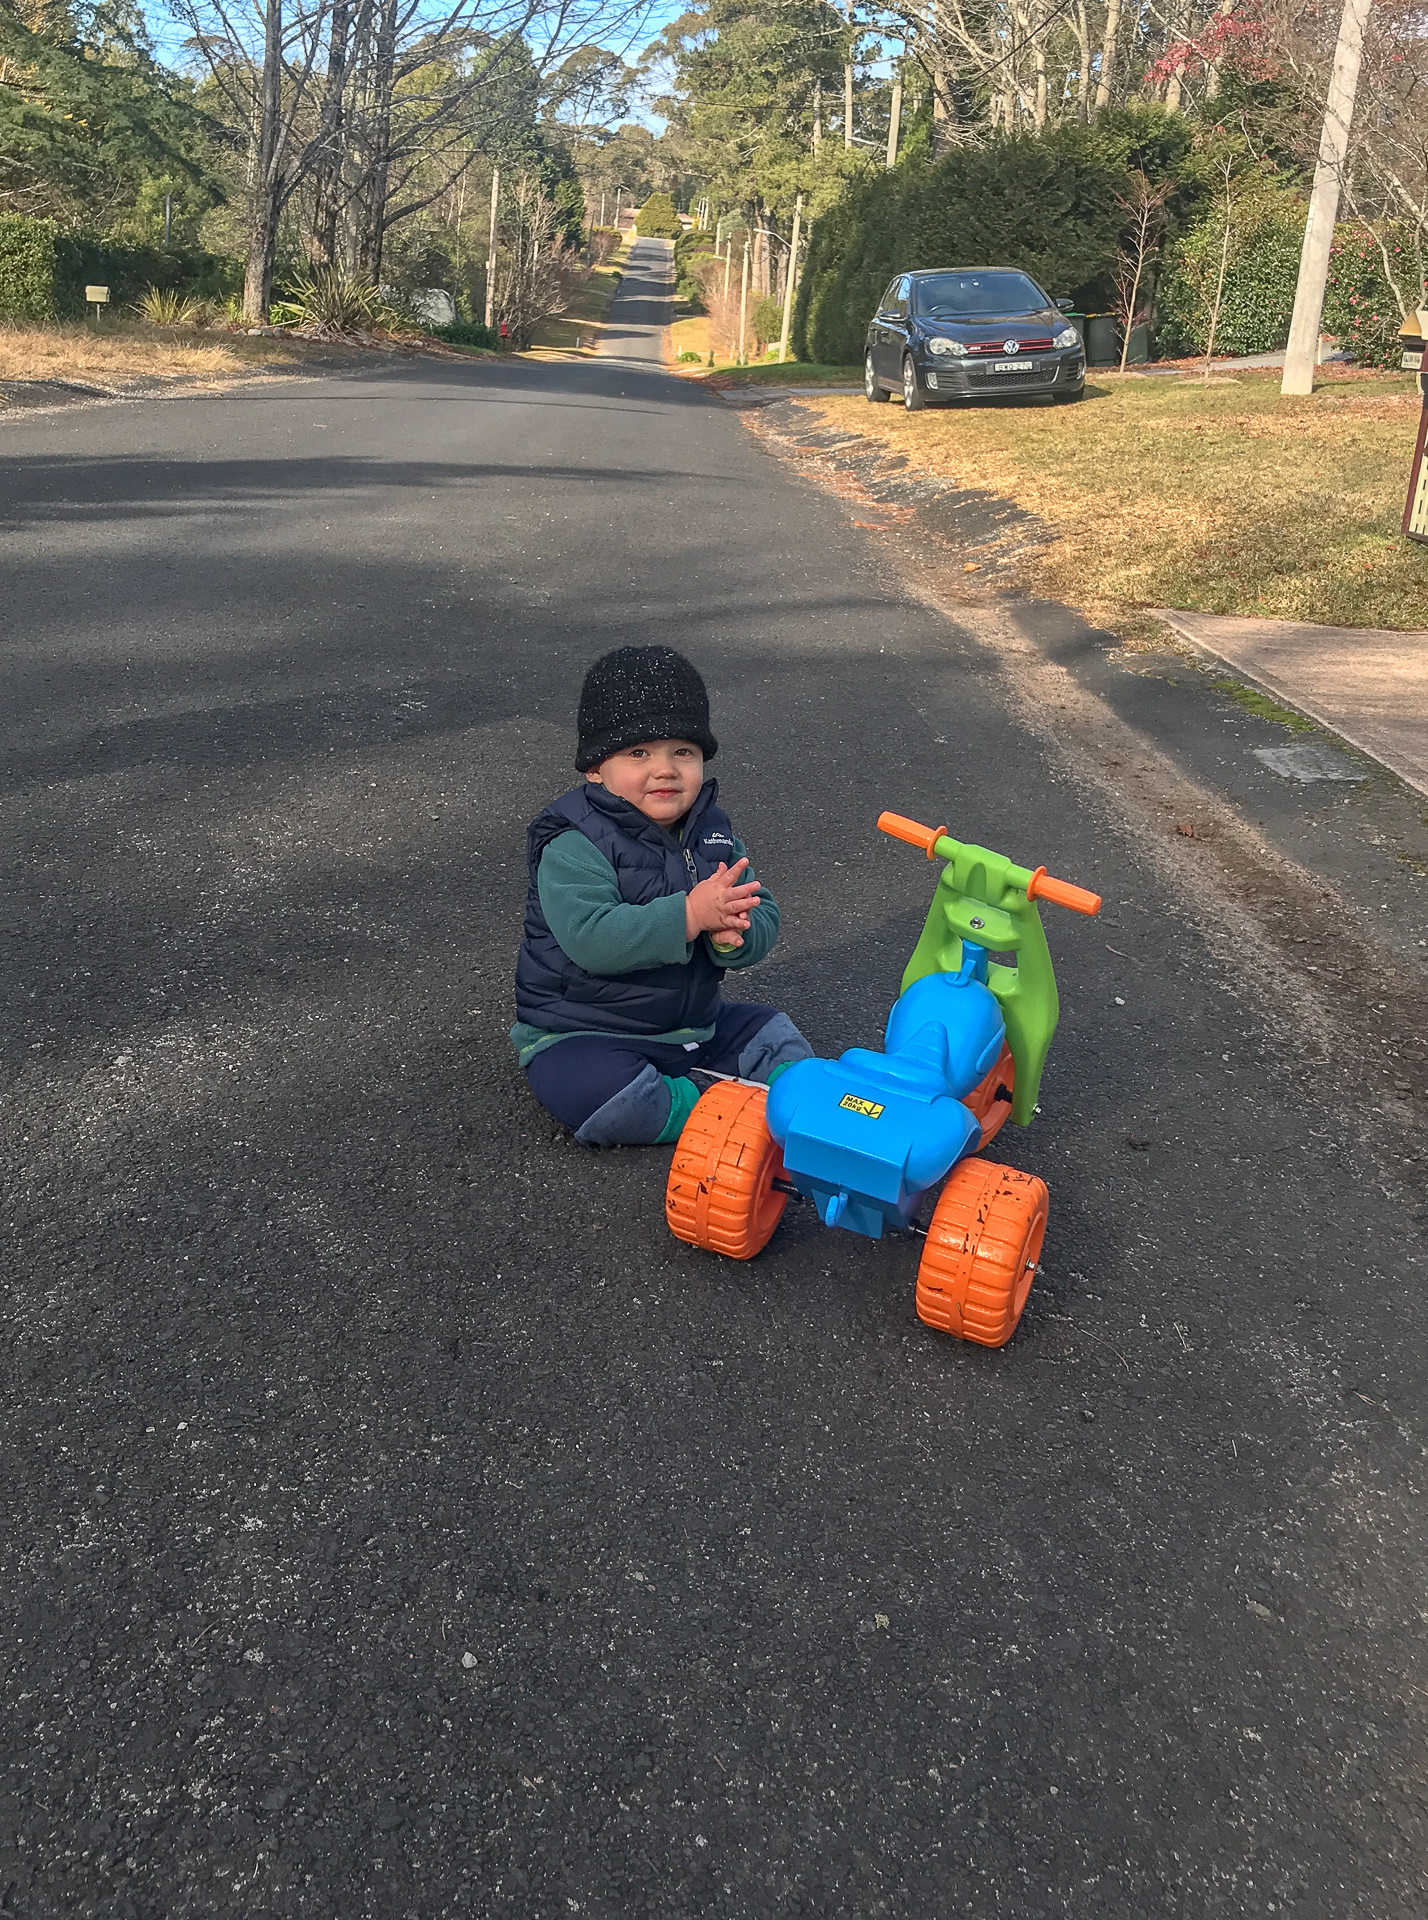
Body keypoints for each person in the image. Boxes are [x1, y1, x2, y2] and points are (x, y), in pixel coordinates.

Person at [512, 646, 812, 1146]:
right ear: (595, 768)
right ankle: (708, 1104)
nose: (665, 769)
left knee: (774, 1035)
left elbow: (760, 907)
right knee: (596, 1095)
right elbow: (592, 939)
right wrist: (690, 915)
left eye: (683, 752)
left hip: (692, 1025)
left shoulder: (712, 834)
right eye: (639, 753)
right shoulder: (573, 842)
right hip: (585, 1029)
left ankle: (779, 1097)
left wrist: (734, 934)